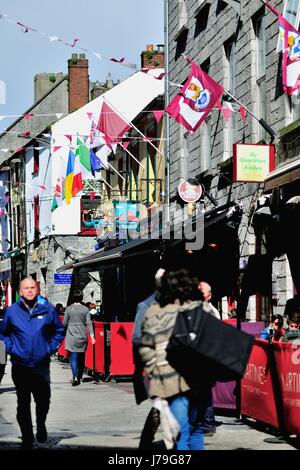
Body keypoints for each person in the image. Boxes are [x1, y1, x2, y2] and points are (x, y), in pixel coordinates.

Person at [139, 269, 211, 450]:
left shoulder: (157, 311)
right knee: (196, 430)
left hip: (171, 380)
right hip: (198, 381)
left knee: (182, 432)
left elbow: (146, 348)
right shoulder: (203, 309)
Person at [0, 277, 64, 449]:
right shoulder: (12, 311)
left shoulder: (47, 310)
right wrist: (11, 348)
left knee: (43, 400)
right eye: (26, 288)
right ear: (20, 291)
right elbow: (3, 334)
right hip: (20, 364)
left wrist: (50, 348)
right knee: (23, 402)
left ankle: (41, 423)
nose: (29, 290)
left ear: (36, 290)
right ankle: (27, 436)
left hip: (41, 364)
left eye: (32, 287)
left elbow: (58, 330)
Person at [64, 290, 95, 386]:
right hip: (82, 336)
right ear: (81, 298)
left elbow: (64, 323)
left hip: (71, 336)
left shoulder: (68, 309)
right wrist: (92, 336)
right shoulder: (85, 309)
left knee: (73, 357)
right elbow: (89, 324)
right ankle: (80, 376)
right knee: (81, 357)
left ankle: (75, 376)